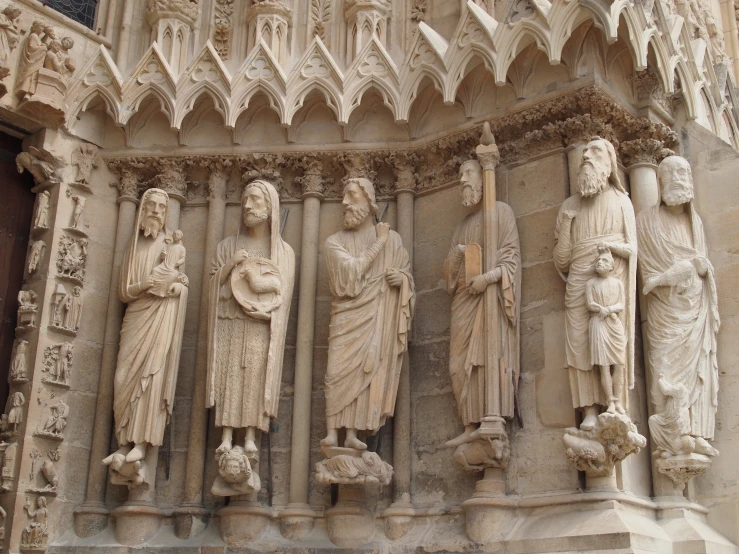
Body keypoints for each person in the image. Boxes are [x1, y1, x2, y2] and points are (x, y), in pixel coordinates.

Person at [320, 177, 415, 450]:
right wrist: (378, 242)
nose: (344, 203)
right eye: (344, 197)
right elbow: (348, 276)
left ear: (370, 203)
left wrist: (403, 282)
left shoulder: (393, 241)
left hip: (376, 319)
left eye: (352, 196)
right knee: (337, 369)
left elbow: (406, 277)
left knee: (366, 368)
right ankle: (331, 431)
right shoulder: (334, 242)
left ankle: (352, 433)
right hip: (346, 317)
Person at [637, 155, 720, 457]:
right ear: (659, 183)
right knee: (665, 371)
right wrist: (685, 267)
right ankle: (670, 437)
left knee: (695, 371)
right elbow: (648, 269)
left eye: (684, 173)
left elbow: (702, 262)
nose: (679, 179)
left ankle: (693, 432)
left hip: (693, 308)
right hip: (664, 311)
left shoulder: (694, 222)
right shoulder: (645, 220)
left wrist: (700, 267)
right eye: (671, 174)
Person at [206, 180, 294, 462]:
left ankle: (252, 436)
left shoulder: (283, 252)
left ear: (271, 208)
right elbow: (212, 286)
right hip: (229, 323)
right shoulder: (227, 246)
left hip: (260, 326)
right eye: (245, 199)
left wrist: (268, 314)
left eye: (255, 200)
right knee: (230, 377)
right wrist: (231, 264)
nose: (247, 206)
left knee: (255, 376)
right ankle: (228, 434)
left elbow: (283, 294)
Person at [554, 137, 637, 430]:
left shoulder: (621, 201)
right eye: (584, 152)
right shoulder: (569, 205)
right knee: (578, 347)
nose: (586, 156)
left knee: (612, 346)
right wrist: (566, 224)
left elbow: (632, 250)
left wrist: (610, 249)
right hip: (578, 284)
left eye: (595, 152)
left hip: (610, 284)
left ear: (609, 163)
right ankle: (589, 409)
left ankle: (615, 403)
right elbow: (562, 261)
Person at [104, 188, 188, 465]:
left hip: (161, 314)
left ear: (166, 214)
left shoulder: (171, 248)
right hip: (137, 314)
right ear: (141, 210)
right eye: (149, 205)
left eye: (161, 207)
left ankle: (140, 442)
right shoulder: (134, 247)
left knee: (152, 375)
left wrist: (178, 287)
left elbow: (181, 279)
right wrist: (144, 285)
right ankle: (123, 440)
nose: (154, 210)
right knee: (123, 377)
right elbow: (123, 293)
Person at [443, 159, 521, 447]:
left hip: (489, 299)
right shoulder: (462, 226)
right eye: (460, 175)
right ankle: (467, 423)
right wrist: (460, 257)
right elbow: (449, 274)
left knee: (487, 359)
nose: (462, 180)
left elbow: (511, 260)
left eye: (468, 173)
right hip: (465, 300)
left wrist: (487, 278)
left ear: (482, 178)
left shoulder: (501, 213)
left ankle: (491, 418)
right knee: (458, 365)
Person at [585, 246, 626, 415]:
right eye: (598, 260)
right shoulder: (591, 283)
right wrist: (600, 308)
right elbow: (589, 303)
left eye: (604, 261)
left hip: (613, 323)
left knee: (619, 364)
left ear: (611, 267)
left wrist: (608, 309)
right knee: (604, 366)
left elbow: (622, 304)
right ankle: (610, 401)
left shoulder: (617, 283)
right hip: (598, 324)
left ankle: (618, 400)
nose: (600, 263)